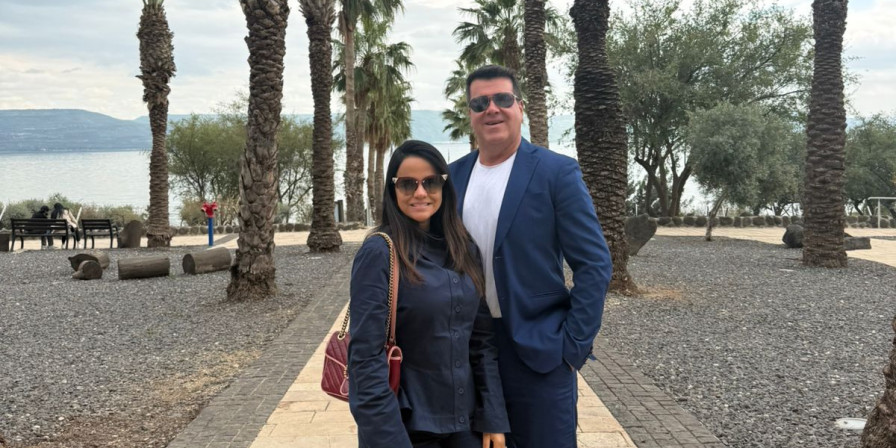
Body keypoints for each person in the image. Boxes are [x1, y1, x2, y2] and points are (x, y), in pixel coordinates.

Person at [448, 64, 613, 448]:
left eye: (502, 99)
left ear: (520, 107)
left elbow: (594, 264)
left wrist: (572, 346)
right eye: (480, 103)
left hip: (540, 353)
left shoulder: (557, 173)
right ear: (470, 114)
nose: (492, 109)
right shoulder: (452, 178)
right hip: (467, 354)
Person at [349, 140, 509, 448]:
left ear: (444, 187)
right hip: (405, 427)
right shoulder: (380, 253)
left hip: (465, 424)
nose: (420, 192)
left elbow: (481, 340)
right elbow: (365, 361)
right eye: (407, 184)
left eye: (431, 182)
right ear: (393, 189)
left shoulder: (463, 248)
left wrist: (493, 416)